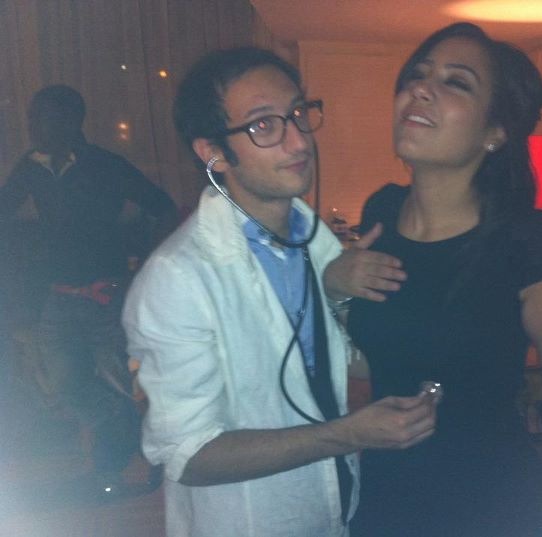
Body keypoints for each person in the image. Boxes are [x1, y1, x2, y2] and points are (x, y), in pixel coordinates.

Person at [324, 22, 542, 537]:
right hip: (387, 495)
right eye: (418, 74)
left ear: (494, 132)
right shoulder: (381, 210)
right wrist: (334, 288)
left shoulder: (526, 239)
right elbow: (378, 354)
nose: (420, 89)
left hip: (492, 504)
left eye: (456, 82)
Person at [121, 47, 438, 537]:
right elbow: (188, 455)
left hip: (336, 511)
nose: (298, 140)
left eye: (297, 114)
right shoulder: (177, 279)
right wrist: (347, 435)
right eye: (264, 125)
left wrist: (345, 301)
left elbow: (324, 362)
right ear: (213, 153)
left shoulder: (315, 240)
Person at [0, 84, 178, 493]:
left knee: (121, 382)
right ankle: (126, 440)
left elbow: (163, 206)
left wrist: (147, 268)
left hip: (106, 294)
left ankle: (139, 464)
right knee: (64, 382)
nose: (32, 125)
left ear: (70, 121)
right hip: (60, 293)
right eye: (31, 117)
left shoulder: (105, 165)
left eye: (41, 117)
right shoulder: (32, 166)